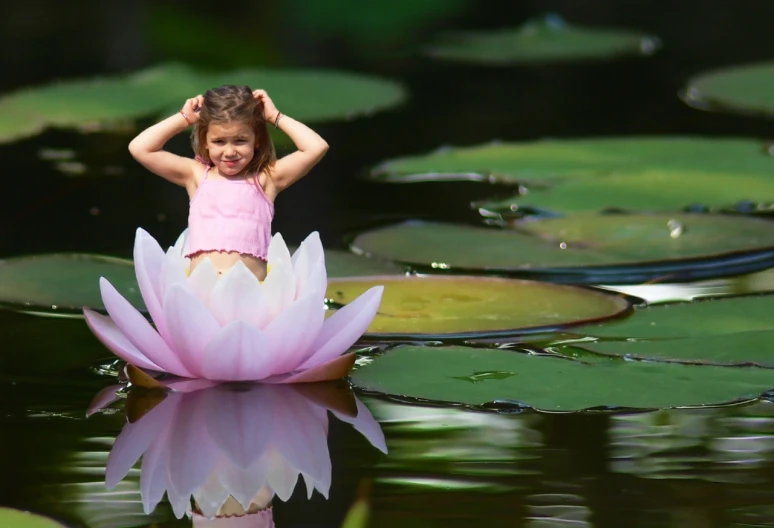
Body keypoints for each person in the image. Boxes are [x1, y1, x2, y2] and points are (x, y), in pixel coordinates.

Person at [128, 85, 329, 280]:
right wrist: (184, 119)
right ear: (205, 140)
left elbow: (316, 147)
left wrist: (274, 116)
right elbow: (140, 148)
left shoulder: (267, 179)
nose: (230, 151)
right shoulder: (195, 176)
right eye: (219, 142)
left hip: (252, 294)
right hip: (199, 293)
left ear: (256, 140)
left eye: (240, 140)